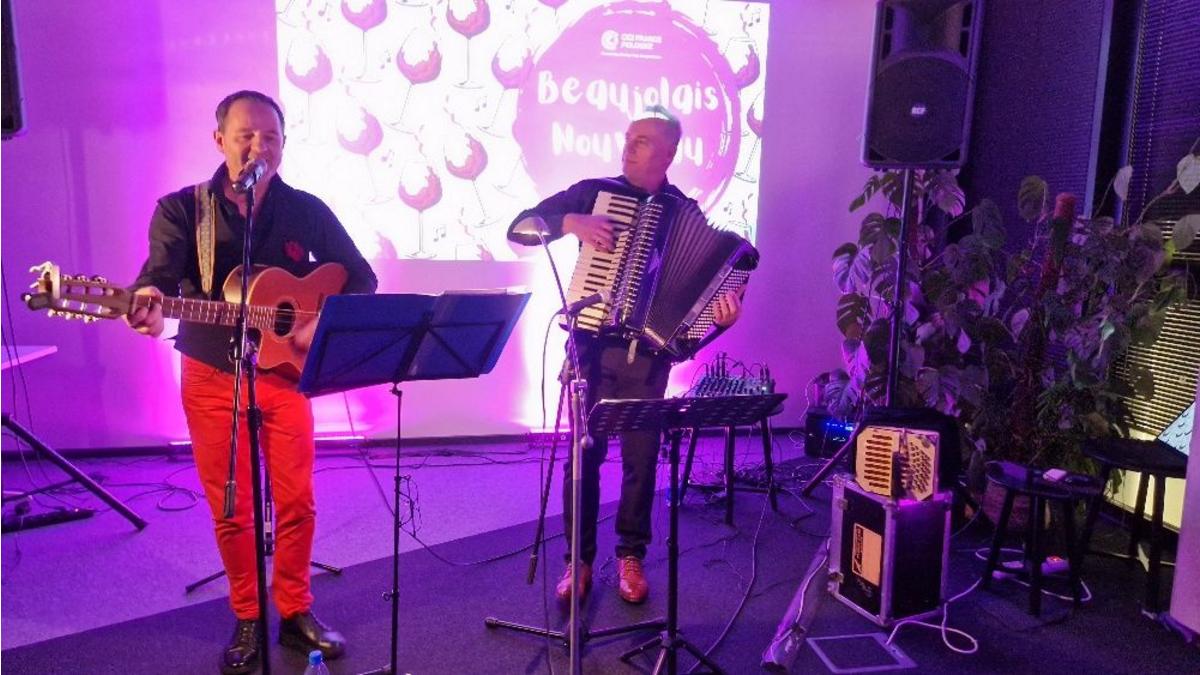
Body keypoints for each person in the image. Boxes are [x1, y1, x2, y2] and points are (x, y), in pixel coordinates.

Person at [126, 90, 377, 675]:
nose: (258, 146)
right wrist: (147, 302)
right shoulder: (183, 209)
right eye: (245, 135)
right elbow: (156, 278)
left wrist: (317, 322)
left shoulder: (306, 210)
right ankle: (246, 614)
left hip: (285, 376)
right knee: (231, 505)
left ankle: (294, 609)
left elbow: (360, 276)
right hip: (212, 374)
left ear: (283, 144)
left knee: (297, 499)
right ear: (220, 140)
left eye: (270, 137)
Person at [507, 112, 745, 605]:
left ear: (668, 154)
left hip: (647, 360)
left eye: (641, 141)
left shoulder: (684, 213)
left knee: (642, 459)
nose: (628, 146)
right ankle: (579, 559)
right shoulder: (594, 193)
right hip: (590, 350)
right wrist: (569, 222)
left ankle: (630, 555)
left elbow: (688, 328)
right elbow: (518, 229)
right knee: (584, 457)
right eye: (628, 138)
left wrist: (720, 324)